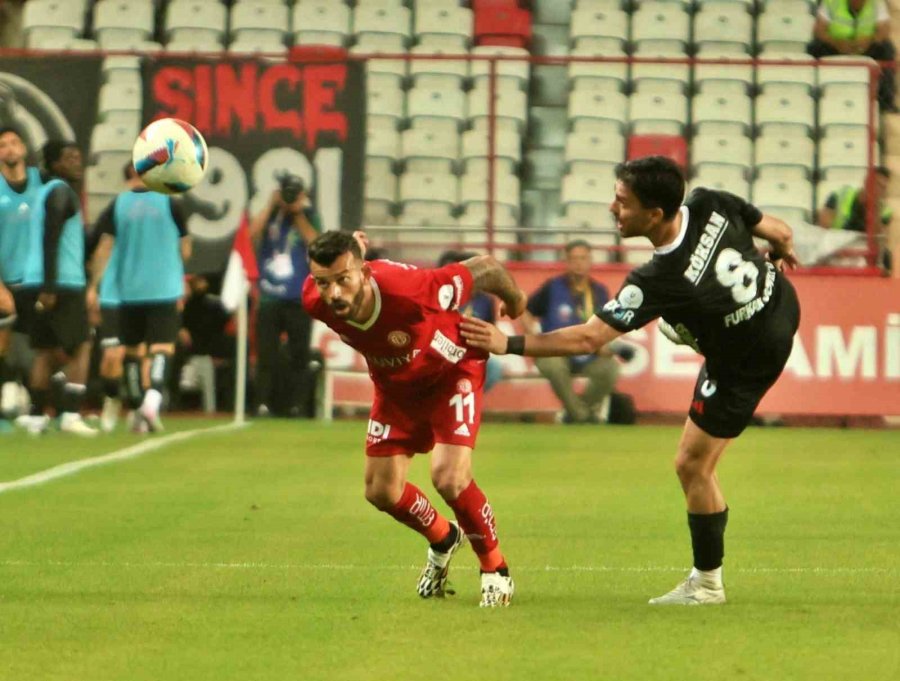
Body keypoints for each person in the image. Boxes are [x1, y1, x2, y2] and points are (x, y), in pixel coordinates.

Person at [462, 156, 802, 605]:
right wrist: (775, 255)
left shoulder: (658, 279)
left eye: (622, 202)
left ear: (655, 214)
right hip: (781, 303)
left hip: (745, 361)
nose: (612, 209)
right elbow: (781, 233)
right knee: (685, 320)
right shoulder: (709, 202)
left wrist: (508, 344)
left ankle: (707, 585)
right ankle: (690, 326)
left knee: (692, 466)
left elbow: (589, 337)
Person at [303, 230, 527, 607]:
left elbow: (486, 268)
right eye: (324, 283)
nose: (334, 293)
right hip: (396, 389)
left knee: (449, 478)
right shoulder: (314, 300)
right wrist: (353, 251)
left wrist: (515, 299)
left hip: (452, 369)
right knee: (381, 491)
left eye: (343, 280)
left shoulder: (411, 290)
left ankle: (495, 567)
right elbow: (337, 271)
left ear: (365, 273)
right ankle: (443, 538)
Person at [88, 164, 191, 433]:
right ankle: (151, 402)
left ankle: (135, 408)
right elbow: (186, 248)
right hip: (164, 288)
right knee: (162, 348)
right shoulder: (171, 202)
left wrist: (93, 285)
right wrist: (173, 268)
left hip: (128, 291)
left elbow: (104, 246)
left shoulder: (118, 205)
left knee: (132, 351)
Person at [17, 139, 95, 435]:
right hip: (62, 282)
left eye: (78, 156)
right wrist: (50, 287)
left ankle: (37, 416)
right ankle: (71, 415)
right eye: (69, 158)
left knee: (46, 351)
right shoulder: (61, 192)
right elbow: (51, 238)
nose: (77, 162)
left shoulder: (42, 193)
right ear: (54, 164)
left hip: (37, 279)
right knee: (82, 345)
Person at [522, 239, 621, 424]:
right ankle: (582, 416)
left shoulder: (599, 292)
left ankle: (574, 413)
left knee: (610, 369)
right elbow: (525, 311)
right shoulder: (552, 287)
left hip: (588, 352)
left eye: (583, 258)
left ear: (590, 261)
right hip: (555, 352)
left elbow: (605, 324)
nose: (578, 263)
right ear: (566, 262)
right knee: (553, 366)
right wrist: (535, 337)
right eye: (574, 259)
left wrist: (605, 345)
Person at [250, 173, 321, 417]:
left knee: (299, 354)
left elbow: (316, 244)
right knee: (266, 354)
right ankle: (262, 403)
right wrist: (271, 205)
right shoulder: (270, 215)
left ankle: (297, 405)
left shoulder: (309, 215)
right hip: (269, 295)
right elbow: (251, 235)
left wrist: (298, 213)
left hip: (299, 295)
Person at [0, 126, 44, 429]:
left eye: (14, 142)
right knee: (3, 343)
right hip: (6, 282)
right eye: (3, 145)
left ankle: (34, 402)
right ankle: (6, 399)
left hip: (38, 282)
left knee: (39, 347)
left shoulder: (44, 184)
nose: (9, 148)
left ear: (25, 148)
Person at [808, 0, 896, 111]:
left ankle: (885, 102)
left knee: (886, 49)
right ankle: (815, 97)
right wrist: (836, 43)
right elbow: (819, 30)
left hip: (866, 47)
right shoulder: (831, 2)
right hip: (836, 46)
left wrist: (868, 41)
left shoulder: (877, 2)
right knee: (815, 47)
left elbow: (884, 30)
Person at [437, 250, 502, 392]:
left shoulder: (486, 301)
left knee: (494, 368)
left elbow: (490, 332)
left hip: (472, 353)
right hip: (443, 350)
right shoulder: (445, 296)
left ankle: (468, 397)